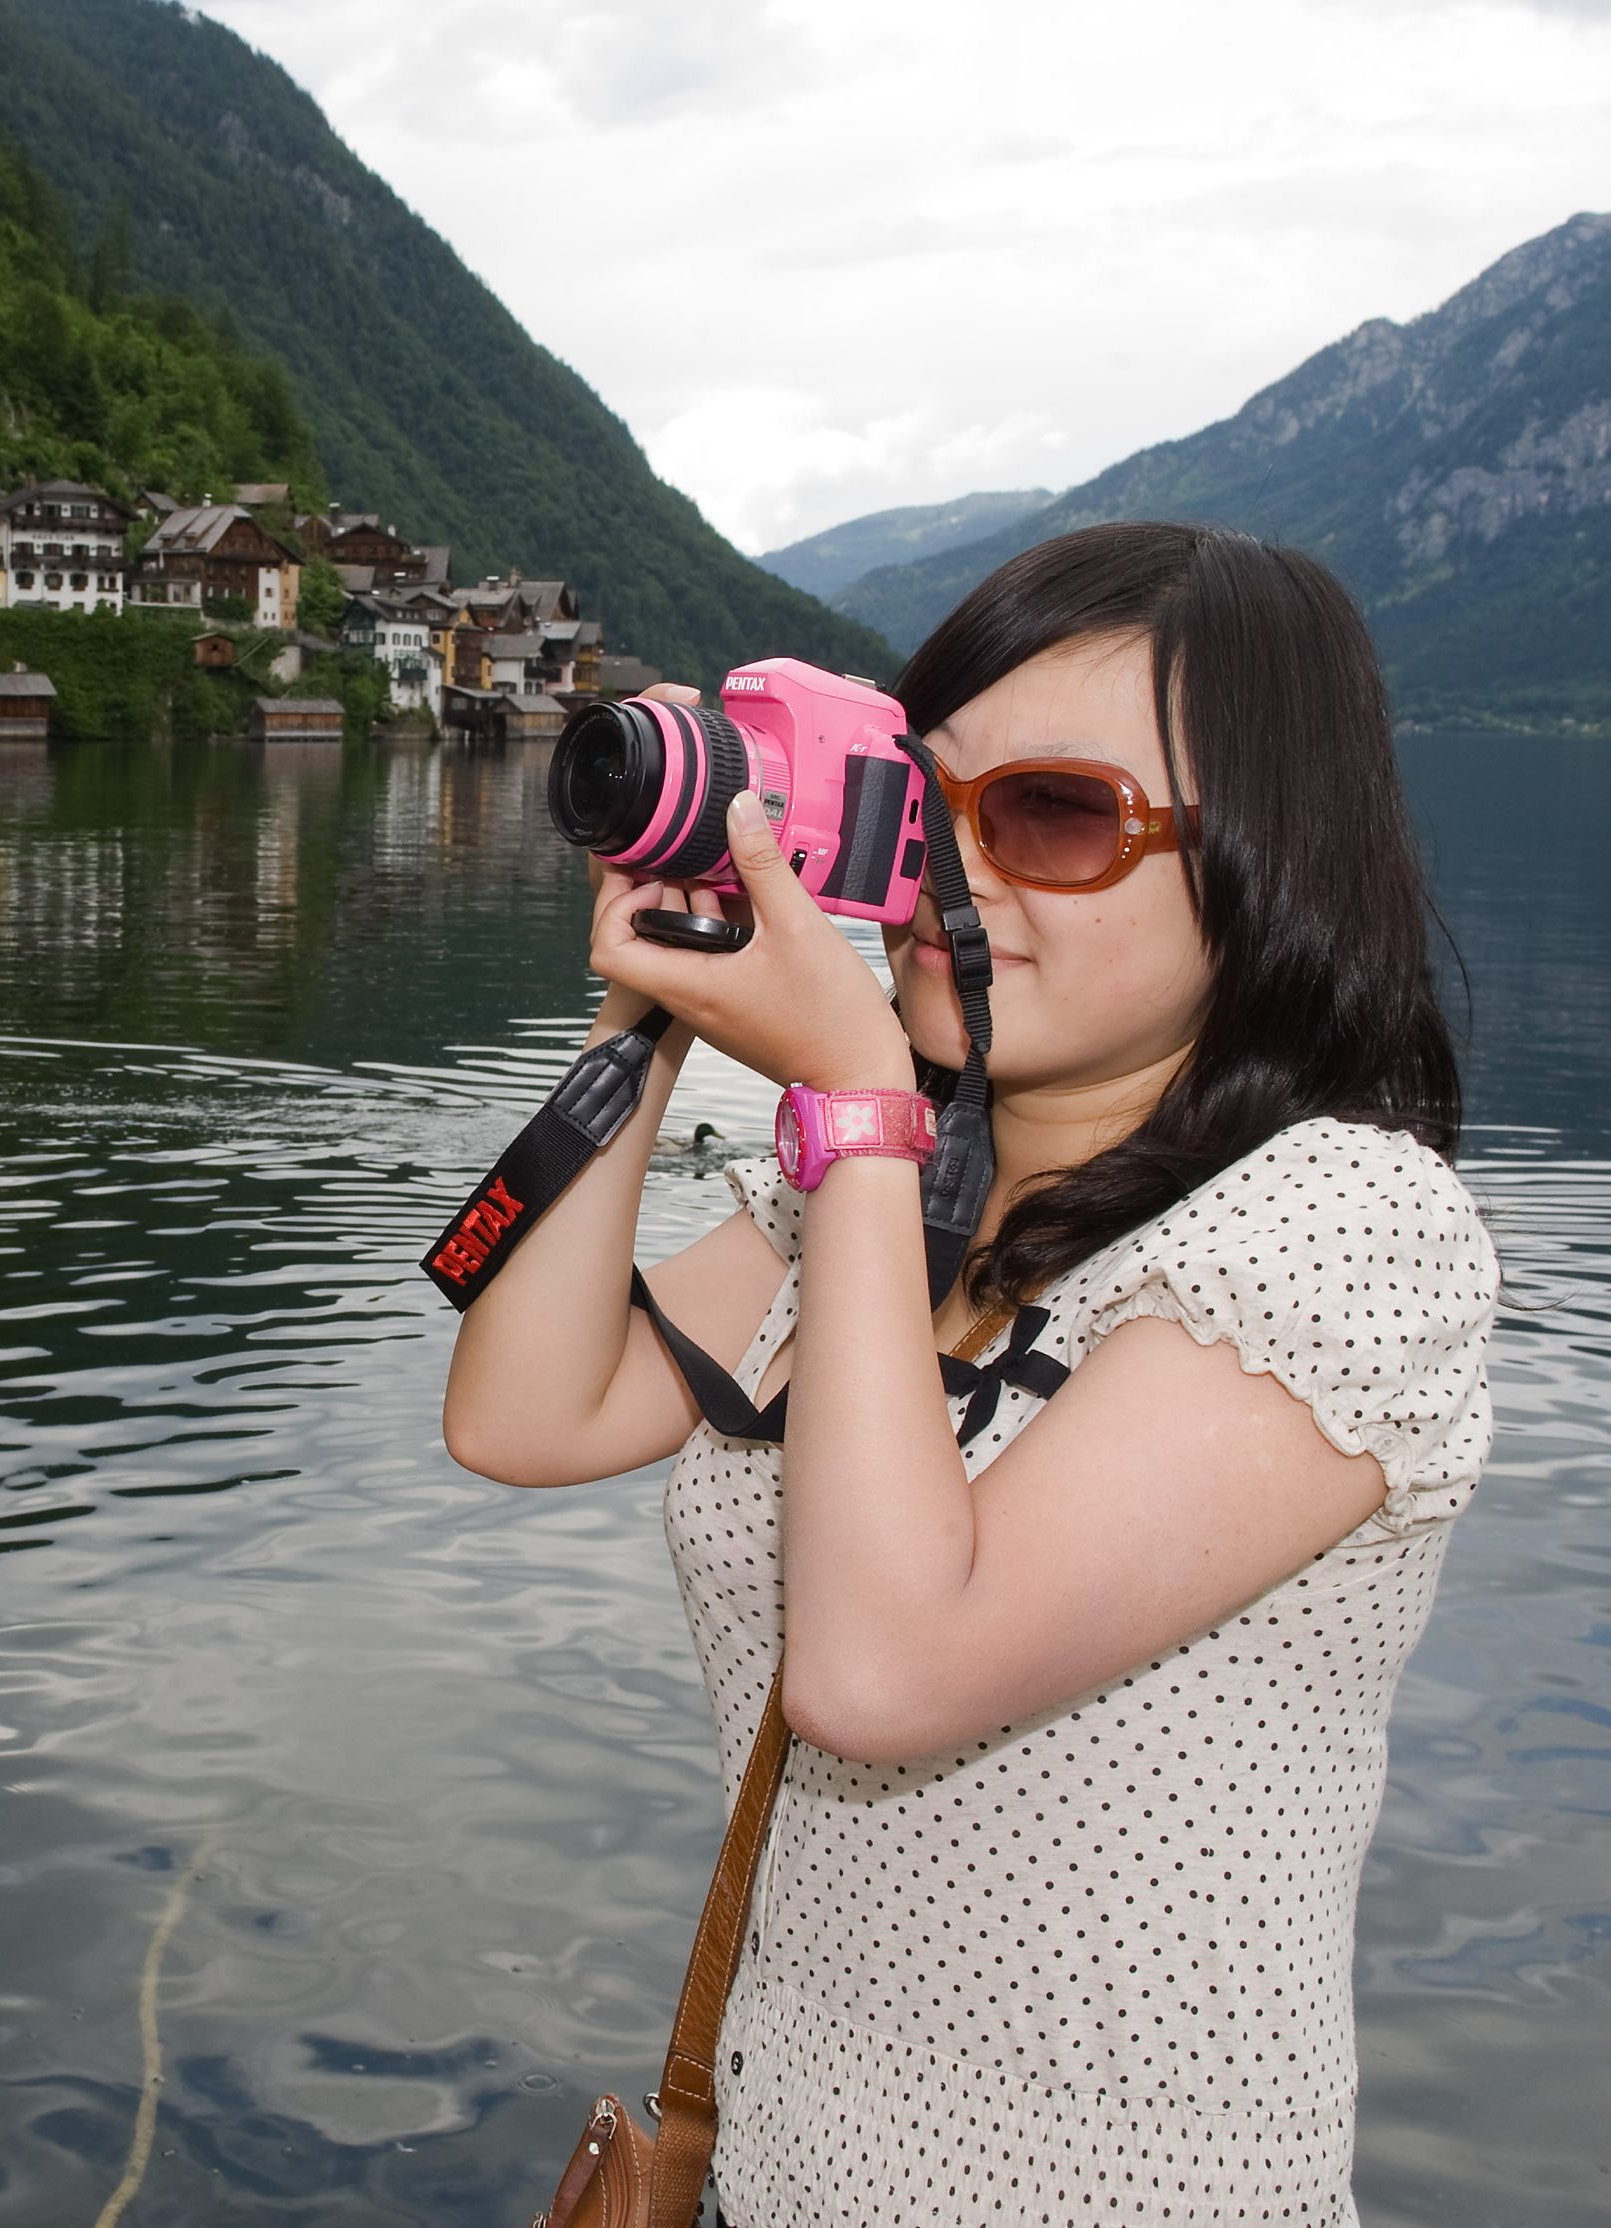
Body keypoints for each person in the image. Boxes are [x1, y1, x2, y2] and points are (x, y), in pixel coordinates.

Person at [442, 521, 1497, 2226]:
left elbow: (885, 1672)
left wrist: (852, 1101)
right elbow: (523, 1414)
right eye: (926, 808)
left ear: (1269, 864)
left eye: (1057, 815)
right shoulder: (884, 1187)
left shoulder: (1346, 1231)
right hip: (781, 2180)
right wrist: (651, 1007)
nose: (956, 874)